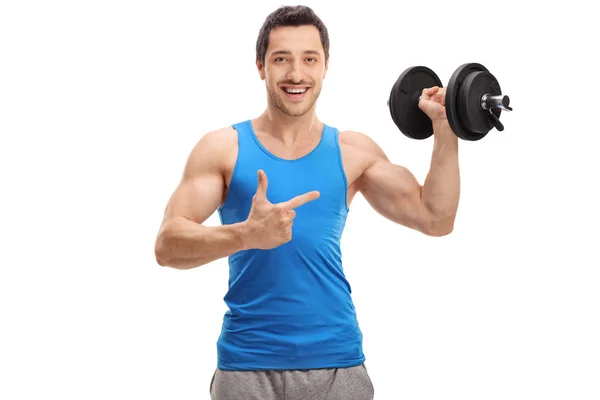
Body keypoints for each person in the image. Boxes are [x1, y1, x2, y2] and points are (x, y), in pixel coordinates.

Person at [154, 5, 459, 400]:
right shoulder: (222, 149)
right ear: (261, 66)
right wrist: (245, 235)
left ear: (325, 66)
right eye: (281, 59)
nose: (296, 74)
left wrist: (445, 127)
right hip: (248, 367)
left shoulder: (352, 151)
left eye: (309, 59)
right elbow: (167, 245)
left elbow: (436, 218)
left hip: (337, 366)